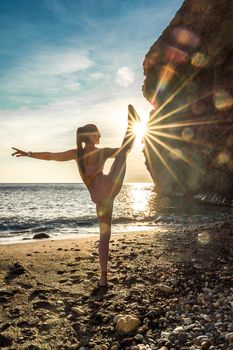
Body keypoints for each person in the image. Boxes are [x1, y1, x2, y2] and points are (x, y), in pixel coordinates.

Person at [12, 104, 140, 287]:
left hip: (98, 197)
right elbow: (124, 150)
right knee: (123, 153)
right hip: (110, 186)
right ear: (93, 136)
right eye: (99, 134)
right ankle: (132, 126)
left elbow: (51, 156)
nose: (100, 136)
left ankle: (103, 278)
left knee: (104, 236)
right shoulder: (102, 152)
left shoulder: (77, 154)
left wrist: (29, 154)